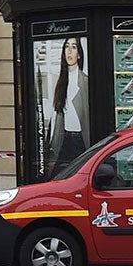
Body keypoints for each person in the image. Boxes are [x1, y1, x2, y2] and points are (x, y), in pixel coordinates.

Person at [40, 37, 89, 175]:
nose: (69, 51)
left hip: (81, 140)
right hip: (65, 139)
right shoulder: (61, 82)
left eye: (74, 47)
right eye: (67, 46)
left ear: (79, 54)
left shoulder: (85, 82)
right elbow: (58, 115)